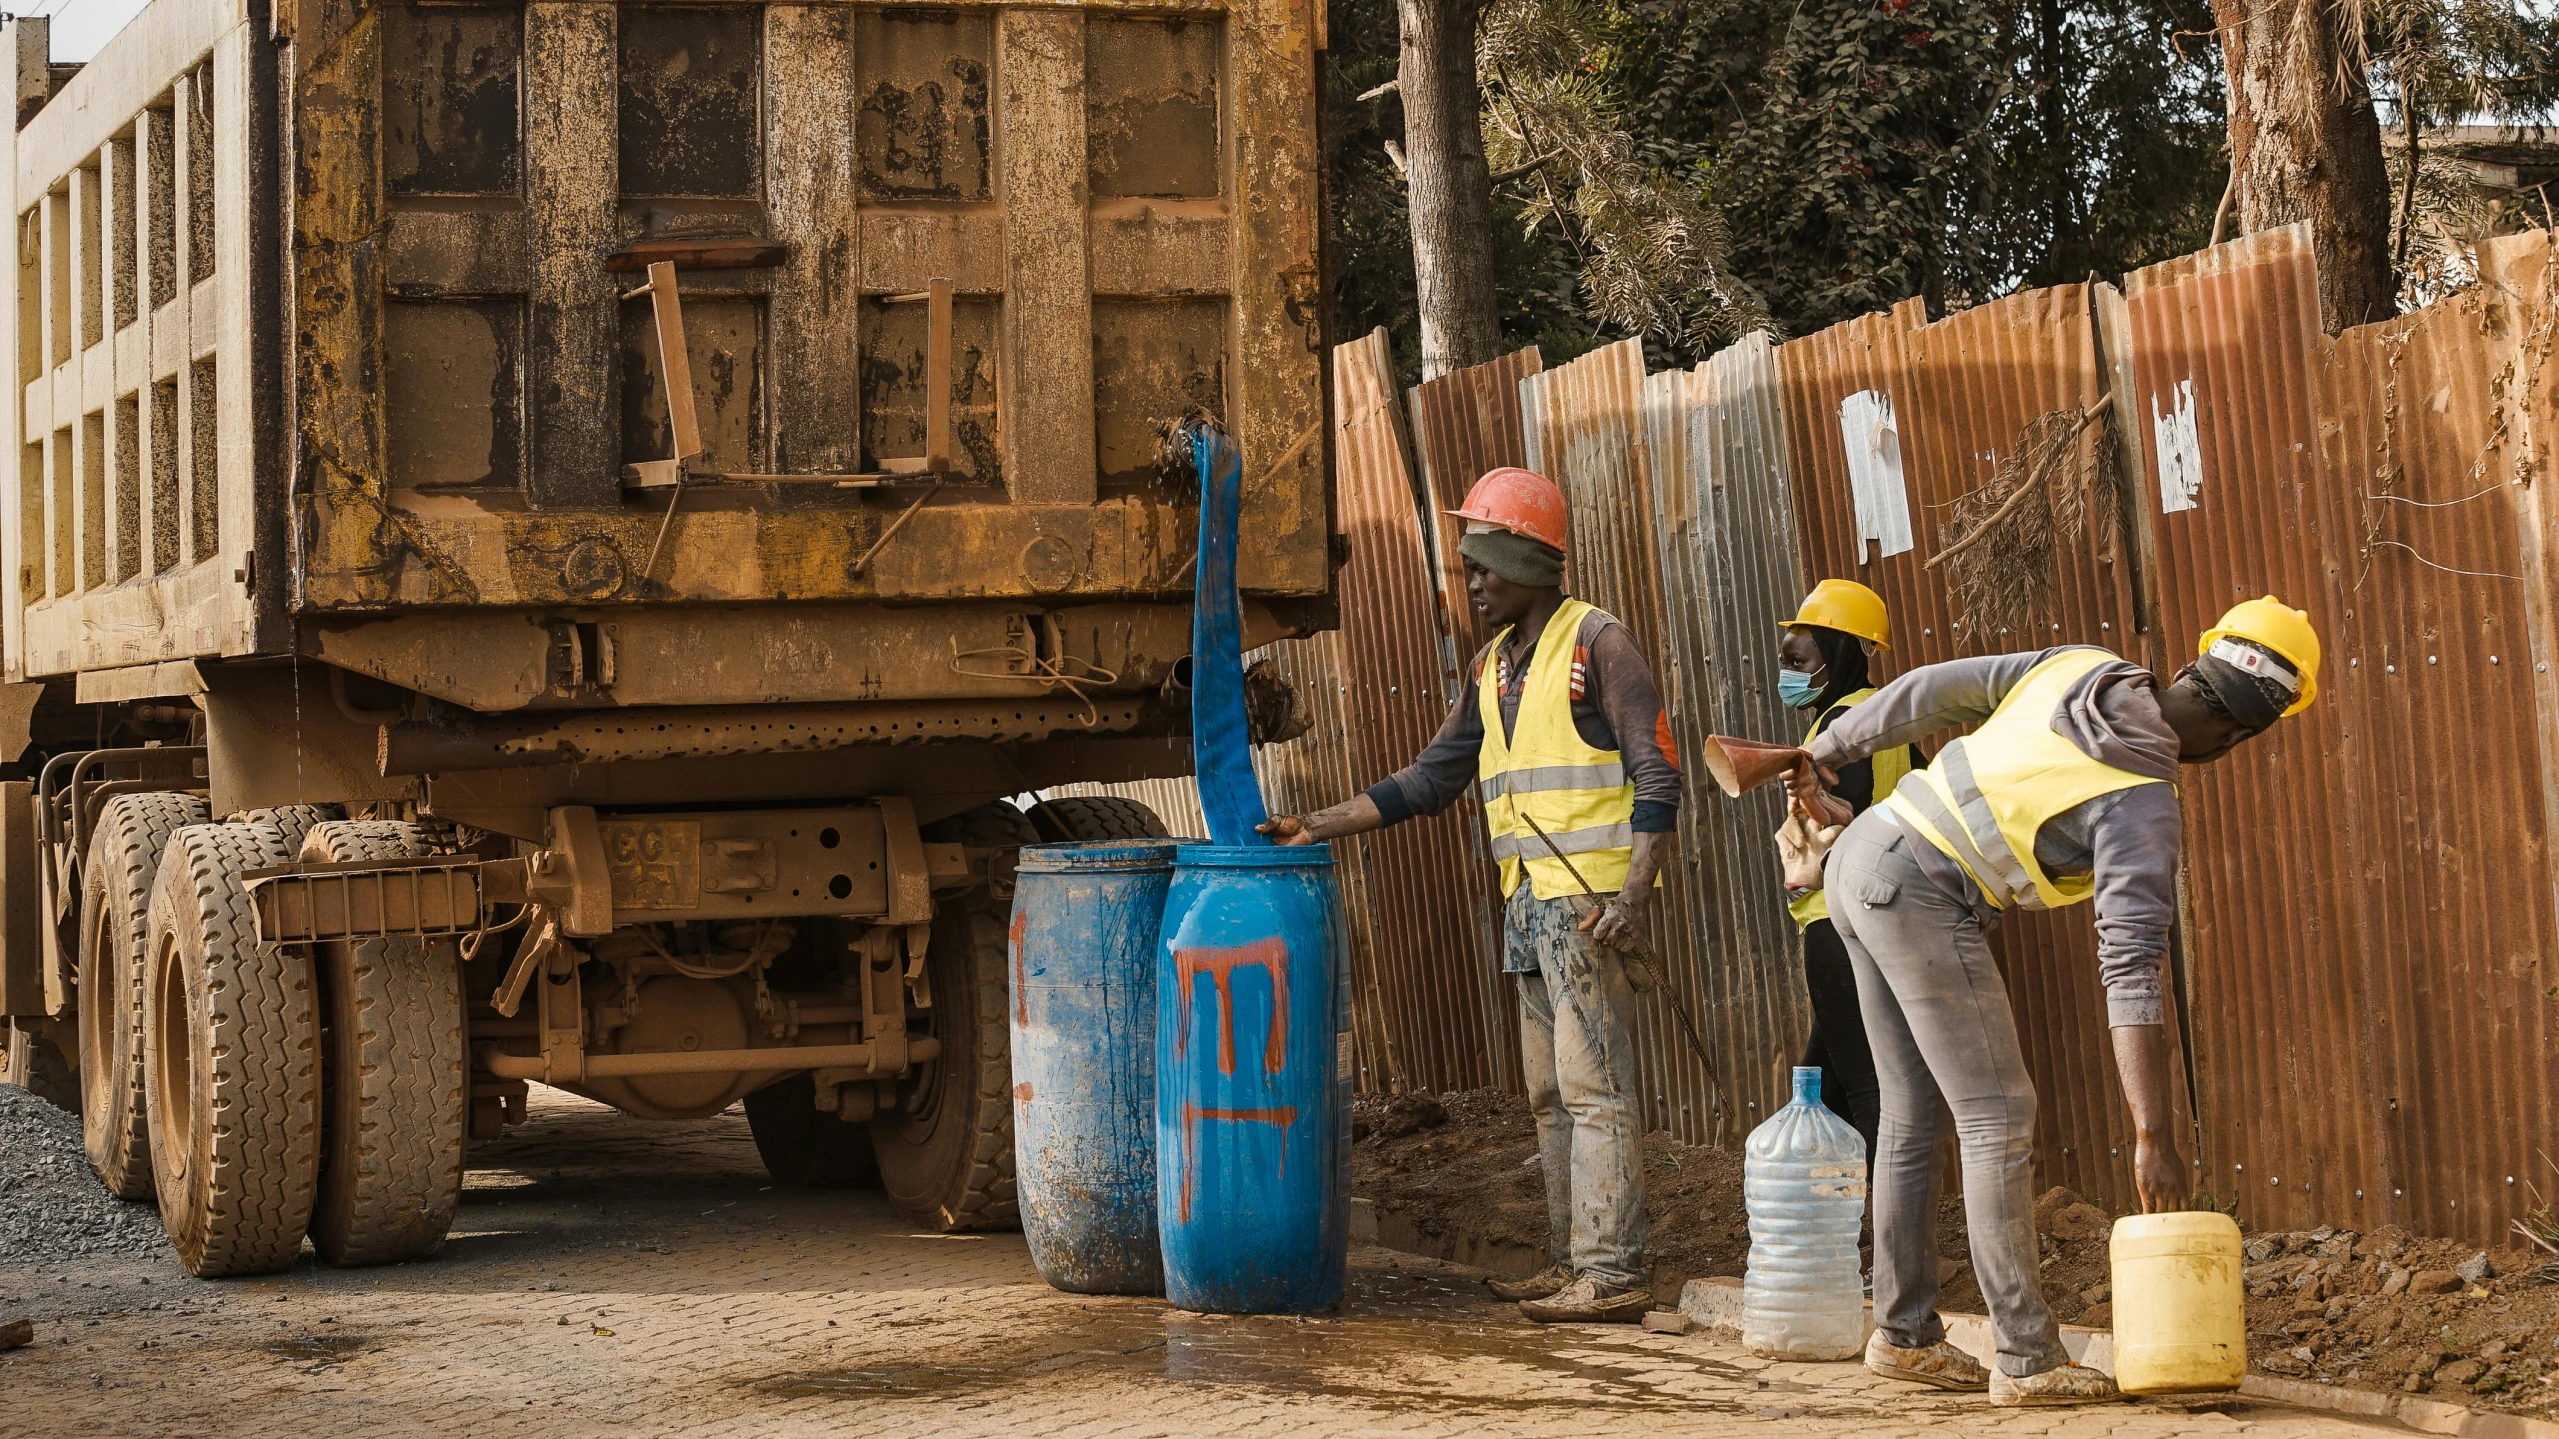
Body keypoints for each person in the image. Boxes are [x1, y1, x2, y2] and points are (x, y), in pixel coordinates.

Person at [1785, 598, 2320, 1406]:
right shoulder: (2142, 801)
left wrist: (1824, 748)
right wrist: (2152, 1133)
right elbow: (2131, 963)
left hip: (1861, 859)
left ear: (2191, 665)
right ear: (2240, 734)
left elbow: (1931, 689)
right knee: (1997, 1113)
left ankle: (1902, 1333)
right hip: (1921, 891)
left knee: (1910, 1106)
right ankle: (2028, 1357)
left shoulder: (2081, 665)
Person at [1258, 466, 1679, 1324]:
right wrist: (1319, 823)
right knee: (1548, 1095)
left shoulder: (1599, 644)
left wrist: (1634, 894)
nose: (1474, 583)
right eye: (1468, 568)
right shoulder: (1492, 668)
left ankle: (1612, 1270)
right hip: (1526, 902)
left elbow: (1657, 775)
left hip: (1589, 906)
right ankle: (1570, 1262)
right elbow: (1428, 779)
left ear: (1531, 559)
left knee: (1593, 1090)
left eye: (1484, 566)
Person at [1771, 579, 1922, 1169]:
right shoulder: (1884, 719)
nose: (1790, 674)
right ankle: (1818, 1213)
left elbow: (1837, 823)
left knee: (1868, 1092)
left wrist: (1804, 863)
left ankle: (1896, 1243)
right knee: (1821, 1087)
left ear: (1840, 653)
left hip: (1837, 924)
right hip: (1882, 917)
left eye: (1800, 660)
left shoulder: (1838, 731)